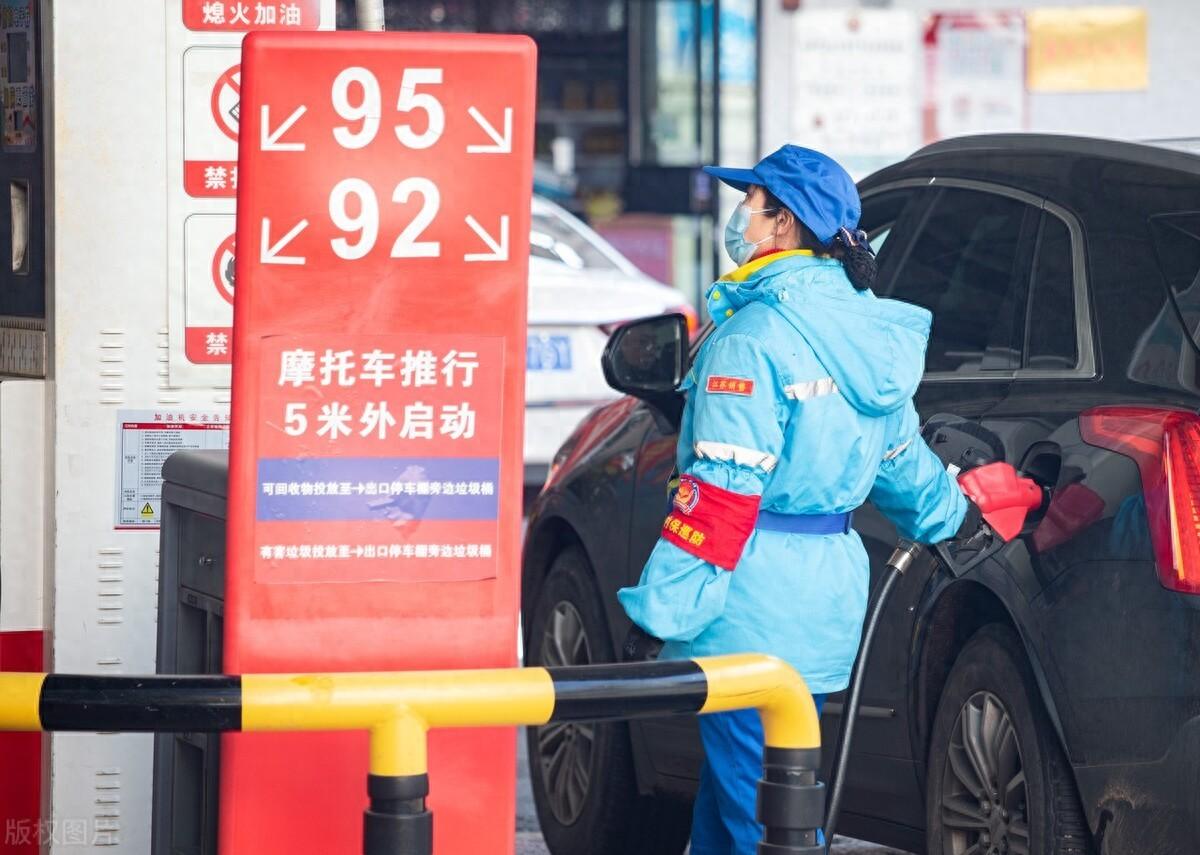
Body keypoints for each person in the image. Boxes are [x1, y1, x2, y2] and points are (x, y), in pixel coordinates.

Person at [617, 144, 1030, 855]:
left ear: (784, 223)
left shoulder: (753, 340)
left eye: (751, 202)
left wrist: (661, 611)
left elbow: (719, 493)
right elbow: (901, 462)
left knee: (764, 818)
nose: (739, 215)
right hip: (822, 602)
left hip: (746, 610)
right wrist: (958, 519)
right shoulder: (867, 338)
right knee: (739, 804)